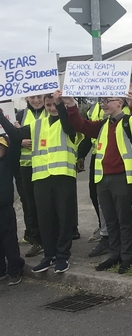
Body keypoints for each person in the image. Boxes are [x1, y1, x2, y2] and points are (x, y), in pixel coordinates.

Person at [65, 91, 132, 274]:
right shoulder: (103, 125)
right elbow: (80, 125)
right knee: (110, 220)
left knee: (124, 219)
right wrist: (72, 105)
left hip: (122, 177)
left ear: (119, 102)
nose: (102, 104)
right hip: (103, 178)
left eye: (106, 101)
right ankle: (115, 254)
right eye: (101, 101)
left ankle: (127, 258)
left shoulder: (129, 122)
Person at [1, 91, 81, 274]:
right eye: (48, 105)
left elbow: (69, 129)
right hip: (41, 178)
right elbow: (14, 135)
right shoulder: (36, 125)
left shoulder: (68, 121)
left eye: (55, 105)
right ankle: (49, 255)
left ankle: (62, 256)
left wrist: (62, 104)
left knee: (64, 217)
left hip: (63, 176)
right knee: (44, 218)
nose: (52, 108)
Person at [15, 94, 46, 258]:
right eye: (32, 97)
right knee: (29, 204)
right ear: (26, 98)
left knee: (47, 204)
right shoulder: (20, 115)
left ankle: (50, 237)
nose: (36, 100)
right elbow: (11, 135)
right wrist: (20, 142)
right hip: (26, 167)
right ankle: (36, 239)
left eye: (39, 97)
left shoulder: (49, 111)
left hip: (46, 166)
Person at [0, 134, 24, 286]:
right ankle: (1, 271)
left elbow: (15, 146)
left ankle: (15, 270)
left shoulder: (8, 162)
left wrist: (13, 131)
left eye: (1, 147)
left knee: (9, 240)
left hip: (5, 208)